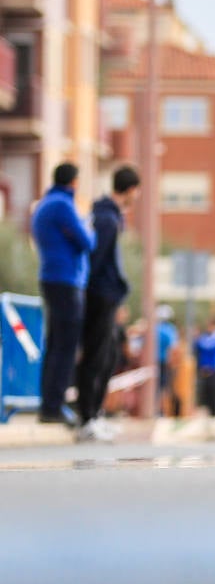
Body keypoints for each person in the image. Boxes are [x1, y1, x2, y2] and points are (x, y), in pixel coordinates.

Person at [74, 165, 140, 442]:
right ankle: (86, 417)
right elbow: (97, 261)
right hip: (100, 296)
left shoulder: (109, 216)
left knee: (108, 355)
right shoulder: (106, 219)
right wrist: (96, 294)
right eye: (136, 191)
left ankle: (95, 414)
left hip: (107, 295)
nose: (136, 196)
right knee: (96, 355)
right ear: (129, 190)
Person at [31, 162, 96, 426]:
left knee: (55, 344)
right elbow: (87, 242)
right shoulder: (63, 205)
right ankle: (53, 406)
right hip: (67, 280)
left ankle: (49, 404)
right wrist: (87, 225)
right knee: (66, 346)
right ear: (74, 182)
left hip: (50, 277)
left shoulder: (44, 205)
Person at [194, 318, 215, 418]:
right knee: (207, 391)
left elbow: (208, 346)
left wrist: (198, 338)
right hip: (205, 368)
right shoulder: (205, 337)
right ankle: (210, 410)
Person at [156, 304, 179, 415]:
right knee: (164, 388)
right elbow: (173, 348)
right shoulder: (170, 330)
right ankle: (161, 411)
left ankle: (156, 409)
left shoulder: (154, 328)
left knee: (156, 387)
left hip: (153, 362)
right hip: (164, 362)